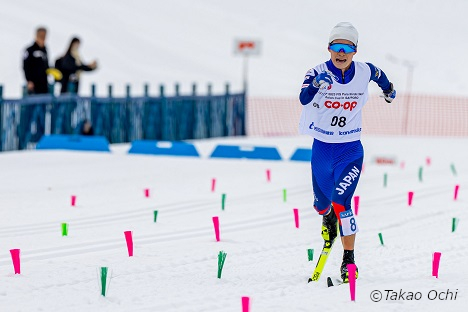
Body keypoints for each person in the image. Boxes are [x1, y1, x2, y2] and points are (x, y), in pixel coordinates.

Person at [299, 22, 396, 283]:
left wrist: (388, 90)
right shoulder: (316, 71)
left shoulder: (364, 71)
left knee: (342, 202)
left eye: (347, 48)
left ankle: (348, 259)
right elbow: (304, 99)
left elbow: (379, 75)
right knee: (321, 205)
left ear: (355, 51)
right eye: (336, 47)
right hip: (321, 149)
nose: (340, 53)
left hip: (350, 150)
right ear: (329, 49)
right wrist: (316, 85)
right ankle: (326, 217)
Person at [23, 27, 50, 94]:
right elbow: (26, 66)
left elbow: (46, 66)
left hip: (44, 84)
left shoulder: (45, 50)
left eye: (44, 36)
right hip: (33, 85)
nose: (43, 38)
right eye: (41, 36)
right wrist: (29, 80)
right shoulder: (30, 50)